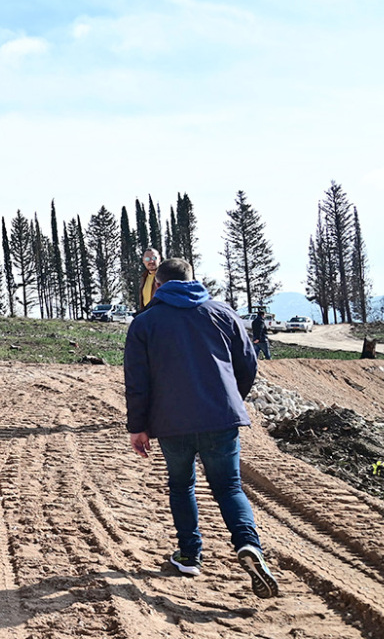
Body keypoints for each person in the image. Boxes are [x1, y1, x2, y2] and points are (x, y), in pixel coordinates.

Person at [125, 257, 279, 599]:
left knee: (182, 486)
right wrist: (230, 400)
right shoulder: (223, 313)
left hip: (171, 423)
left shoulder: (144, 322)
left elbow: (137, 381)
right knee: (229, 487)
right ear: (193, 280)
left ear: (158, 285)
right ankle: (249, 545)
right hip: (220, 418)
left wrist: (138, 426)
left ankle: (189, 555)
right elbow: (248, 363)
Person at [138, 248, 162, 312]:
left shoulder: (166, 276)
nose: (151, 261)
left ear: (159, 258)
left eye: (154, 258)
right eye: (147, 259)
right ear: (143, 261)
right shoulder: (144, 277)